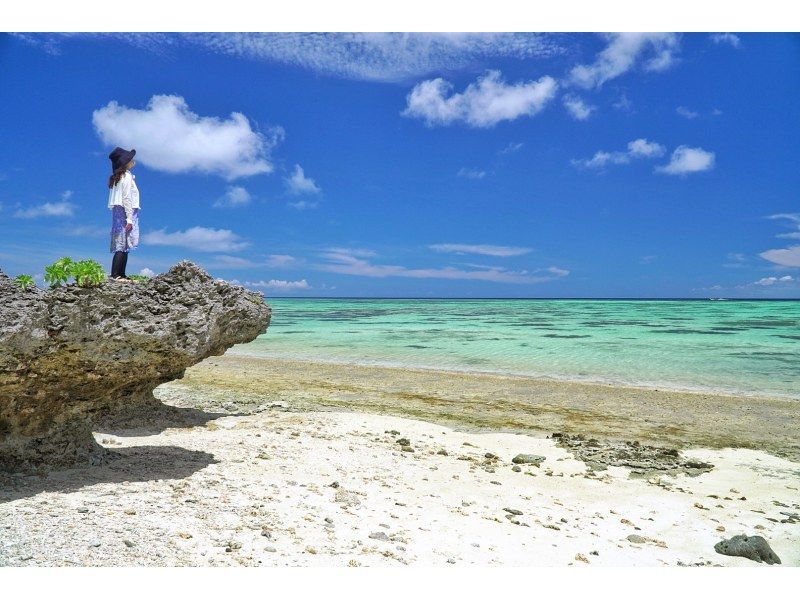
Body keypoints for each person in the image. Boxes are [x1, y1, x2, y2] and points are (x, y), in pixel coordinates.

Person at [107, 147, 140, 281]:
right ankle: (116, 274)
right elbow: (126, 198)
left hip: (120, 211)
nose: (133, 161)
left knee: (123, 243)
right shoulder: (125, 176)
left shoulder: (119, 177)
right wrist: (130, 218)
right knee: (122, 243)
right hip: (125, 211)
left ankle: (121, 274)